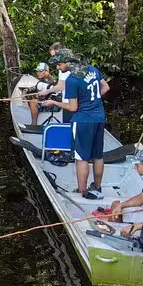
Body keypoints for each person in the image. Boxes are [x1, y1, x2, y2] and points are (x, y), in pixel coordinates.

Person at [43, 48, 110, 199]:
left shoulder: (72, 80)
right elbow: (106, 87)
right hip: (99, 118)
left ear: (67, 62)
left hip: (83, 121)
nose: (58, 68)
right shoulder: (93, 69)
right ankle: (97, 187)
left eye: (59, 64)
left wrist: (54, 102)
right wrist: (93, 100)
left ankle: (82, 191)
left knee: (82, 158)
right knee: (98, 156)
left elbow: (73, 108)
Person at [38, 42, 73, 123]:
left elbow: (61, 86)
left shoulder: (64, 67)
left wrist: (46, 92)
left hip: (70, 104)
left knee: (70, 130)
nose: (53, 58)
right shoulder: (67, 65)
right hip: (72, 104)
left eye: (54, 56)